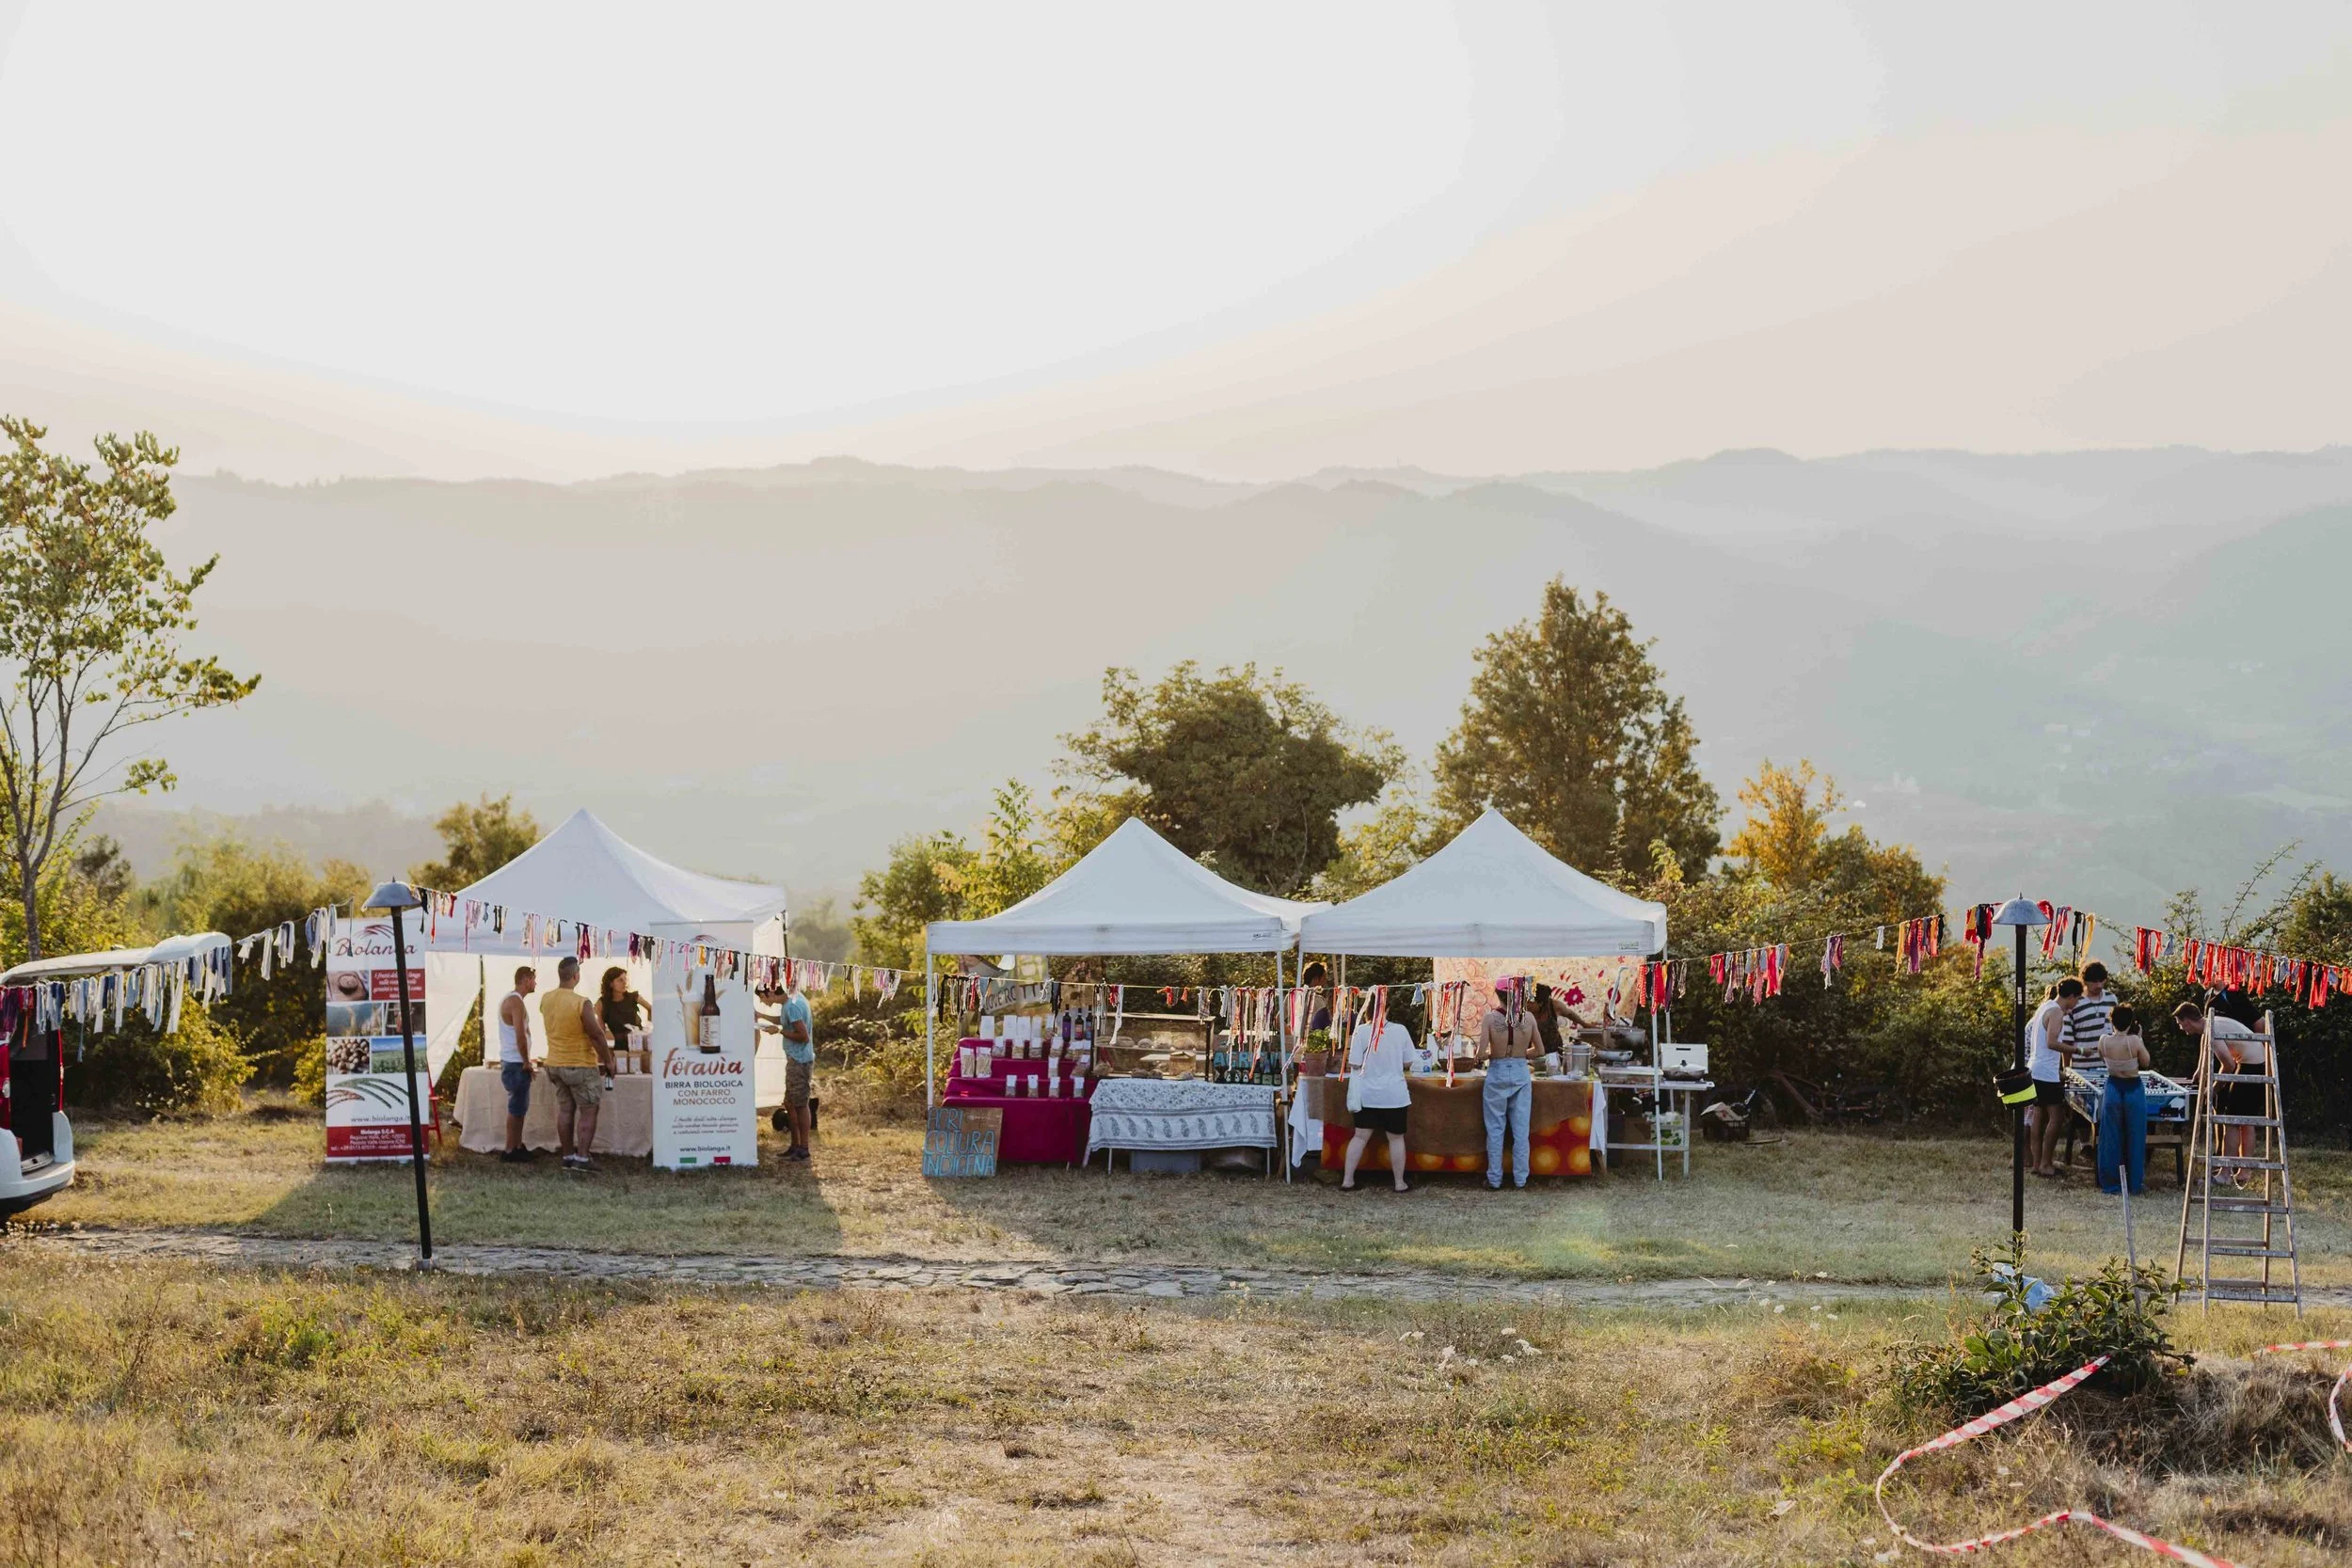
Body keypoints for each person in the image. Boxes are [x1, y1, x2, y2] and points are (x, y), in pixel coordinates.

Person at [2174, 1001, 2270, 1179]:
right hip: (2258, 1063)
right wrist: (2198, 1074)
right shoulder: (2210, 1022)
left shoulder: (2212, 1030)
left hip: (2250, 1066)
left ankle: (2225, 1173)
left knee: (2231, 1122)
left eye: (2181, 1024)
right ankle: (2243, 1171)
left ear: (2188, 1021)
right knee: (2246, 1122)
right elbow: (2205, 1052)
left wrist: (2212, 1089)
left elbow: (2228, 1064)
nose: (2181, 1028)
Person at [538, 956, 615, 1172]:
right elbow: (597, 1035)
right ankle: (582, 1159)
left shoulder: (546, 998)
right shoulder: (581, 1002)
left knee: (566, 1110)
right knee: (589, 1110)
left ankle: (567, 1155)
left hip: (554, 1062)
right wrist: (608, 1060)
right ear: (576, 975)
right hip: (580, 1063)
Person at [1340, 999, 1413, 1193]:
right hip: (1394, 1094)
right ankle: (1399, 1183)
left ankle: (1348, 1180)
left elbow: (1354, 1063)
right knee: (1396, 1139)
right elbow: (1408, 1061)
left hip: (1368, 1094)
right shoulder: (1401, 1030)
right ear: (1387, 1009)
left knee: (1360, 1136)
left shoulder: (1361, 1031)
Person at [1480, 978, 1543, 1190]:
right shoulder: (1530, 1018)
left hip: (1497, 1071)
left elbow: (1480, 1054)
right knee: (1521, 1130)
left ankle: (1495, 1179)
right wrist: (1518, 1054)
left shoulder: (1489, 1019)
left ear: (1498, 994)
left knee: (1495, 1130)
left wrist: (1493, 1053)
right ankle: (1520, 1179)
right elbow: (1540, 1051)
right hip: (1520, 1071)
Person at [2094, 1003, 2151, 1196]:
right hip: (2132, 1087)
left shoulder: (2103, 1041)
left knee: (2110, 1136)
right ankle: (2134, 1183)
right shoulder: (2134, 1041)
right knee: (2135, 1136)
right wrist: (2140, 1039)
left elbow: (2104, 1059)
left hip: (2113, 1086)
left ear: (2112, 1021)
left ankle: (2110, 1182)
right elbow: (2145, 1062)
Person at [2026, 978, 2081, 1178]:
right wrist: (2078, 1050)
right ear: (2071, 996)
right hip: (2046, 1072)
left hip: (2035, 1068)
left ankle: (2037, 1162)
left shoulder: (2045, 1006)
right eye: (2077, 1000)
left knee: (2038, 1115)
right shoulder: (2057, 1012)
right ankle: (2046, 1164)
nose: (2076, 1005)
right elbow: (2051, 1042)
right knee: (2056, 1118)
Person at [756, 975, 815, 1162]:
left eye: (762, 997)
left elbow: (803, 1036)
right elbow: (784, 1020)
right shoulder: (791, 1001)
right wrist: (762, 1016)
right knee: (790, 1103)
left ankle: (803, 1148)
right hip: (795, 1060)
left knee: (799, 1104)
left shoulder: (792, 1006)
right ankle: (795, 1145)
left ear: (771, 992)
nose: (762, 1001)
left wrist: (779, 1031)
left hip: (800, 1061)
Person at [495, 965, 538, 1164]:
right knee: (516, 1108)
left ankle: (517, 1145)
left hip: (514, 1060)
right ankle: (510, 1149)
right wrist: (526, 1062)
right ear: (526, 979)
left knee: (520, 1108)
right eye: (533, 979)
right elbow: (520, 1035)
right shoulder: (515, 1002)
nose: (535, 983)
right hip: (515, 1062)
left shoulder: (513, 1000)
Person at [2061, 961, 2117, 1067]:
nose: (2099, 985)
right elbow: (2067, 1040)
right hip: (2082, 1066)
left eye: (2102, 981)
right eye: (2095, 982)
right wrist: (2067, 1068)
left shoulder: (2111, 999)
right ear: (2085, 982)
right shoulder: (2075, 1002)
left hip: (2108, 1065)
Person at [598, 966, 647, 1057]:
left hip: (637, 1044)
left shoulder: (634, 997)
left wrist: (649, 1028)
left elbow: (652, 1008)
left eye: (625, 979)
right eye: (620, 980)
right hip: (619, 1048)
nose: (624, 982)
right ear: (611, 984)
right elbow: (601, 1031)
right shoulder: (602, 1003)